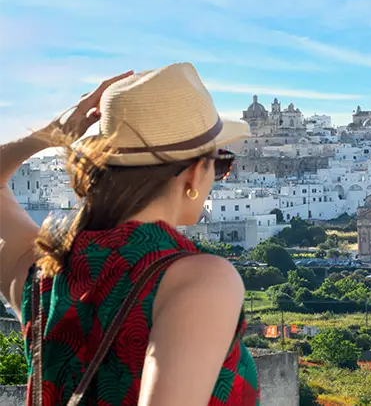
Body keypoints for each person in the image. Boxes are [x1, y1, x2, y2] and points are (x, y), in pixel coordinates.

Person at [0, 63, 259, 405]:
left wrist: (52, 133)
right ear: (195, 174)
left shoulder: (41, 271)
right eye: (221, 164)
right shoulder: (201, 281)